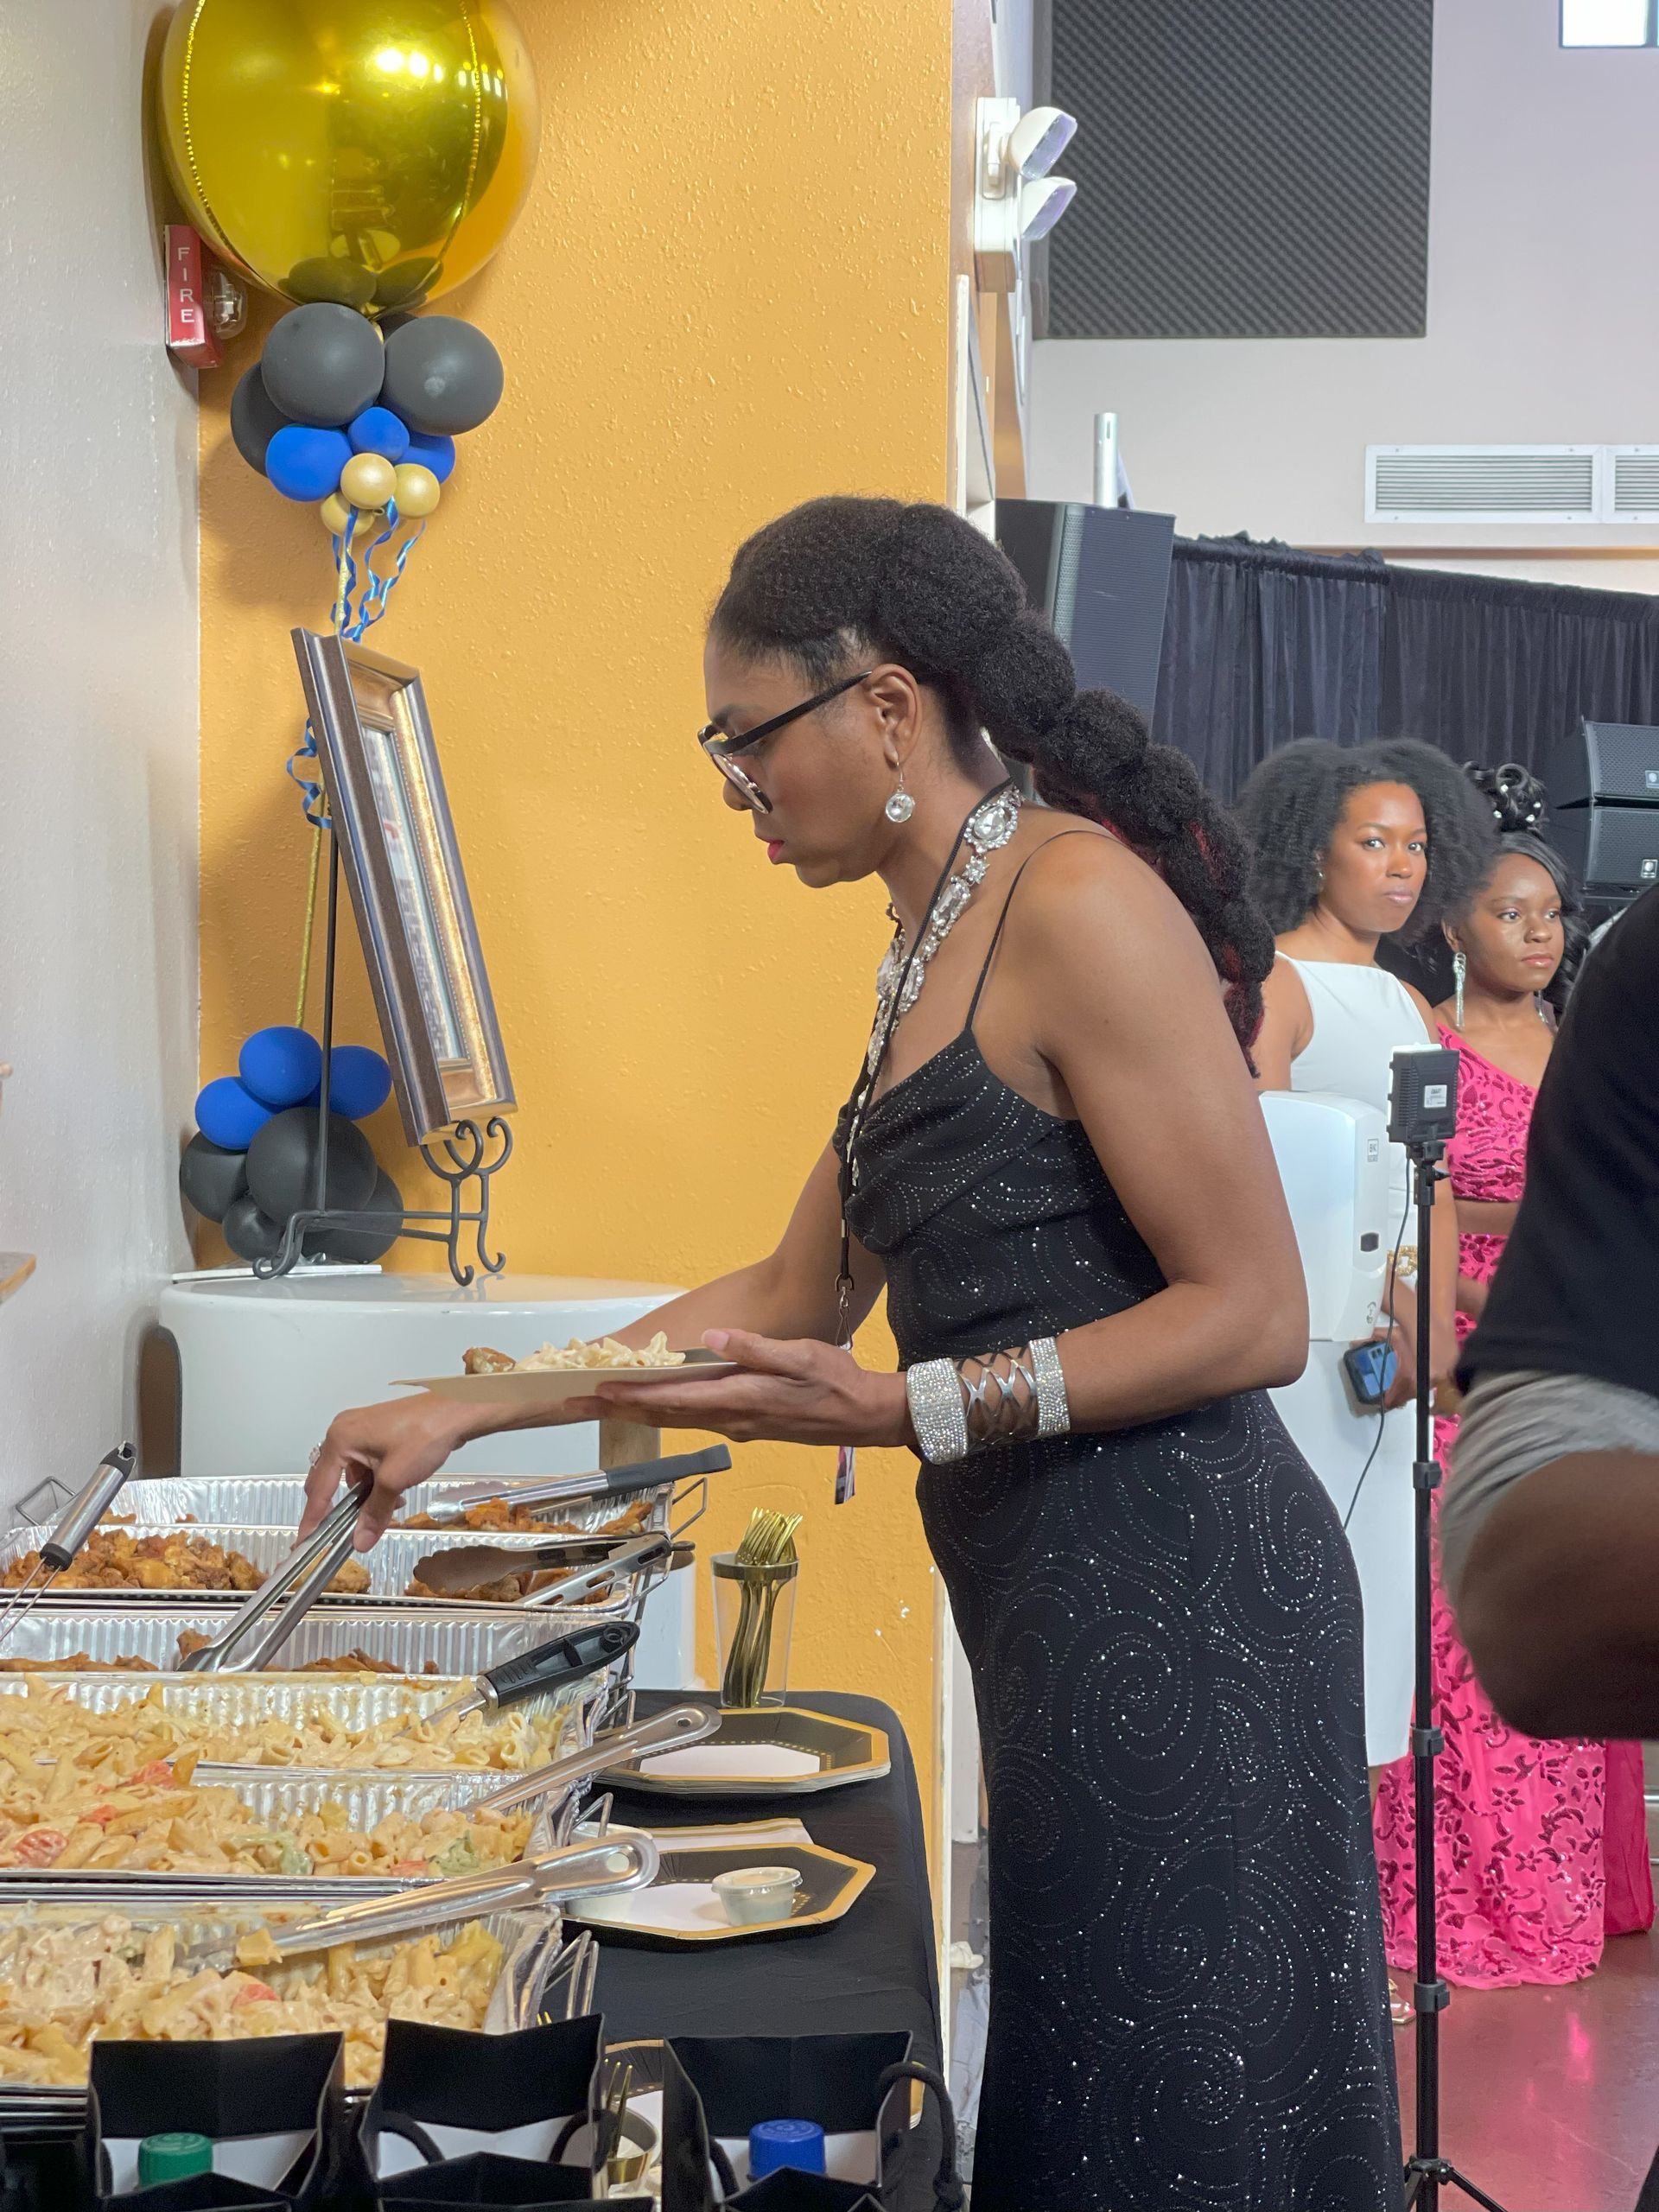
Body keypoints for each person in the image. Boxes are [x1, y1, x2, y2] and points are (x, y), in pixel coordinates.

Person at [304, 499, 1402, 2209]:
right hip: (1063, 1616)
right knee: (1094, 2105)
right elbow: (796, 1292)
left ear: (887, 708)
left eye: (749, 738)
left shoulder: (1076, 899)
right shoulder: (930, 933)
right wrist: (474, 1403)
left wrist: (909, 1407)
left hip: (1192, 1614)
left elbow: (1251, 1310)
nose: (735, 786)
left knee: (1188, 2132)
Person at [1371, 768, 1652, 1986]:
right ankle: (1443, 1903)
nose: (1538, 937)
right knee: (1461, 1650)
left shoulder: (1584, 1033)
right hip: (1478, 1348)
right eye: (1509, 913)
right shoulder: (1423, 1046)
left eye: (1551, 917)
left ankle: (1553, 1899)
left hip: (1573, 1331)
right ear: (1453, 926)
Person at [1236, 739, 1493, 1789]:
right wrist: (1392, 1294)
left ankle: (1357, 1839)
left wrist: (1434, 1316)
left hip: (1397, 1343)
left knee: (1384, 1599)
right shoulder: (1277, 985)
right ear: (1313, 851)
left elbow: (1433, 1180)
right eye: (1376, 841)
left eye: (1417, 845)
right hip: (1313, 1335)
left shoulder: (1410, 1005)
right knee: (1302, 1579)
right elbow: (1263, 1164)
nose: (1402, 866)